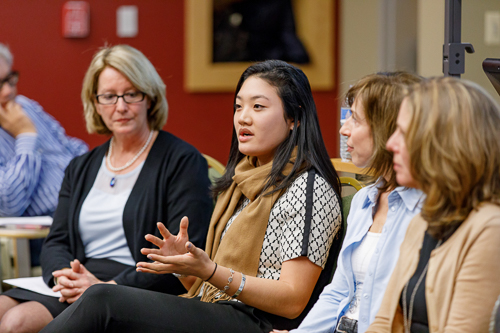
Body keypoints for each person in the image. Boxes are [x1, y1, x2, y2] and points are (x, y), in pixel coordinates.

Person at [40, 59, 343, 333]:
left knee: (102, 299)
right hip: (216, 307)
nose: (243, 118)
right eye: (238, 107)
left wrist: (209, 270)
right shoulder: (241, 180)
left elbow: (292, 300)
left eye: (258, 107)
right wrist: (184, 266)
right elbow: (204, 285)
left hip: (258, 322)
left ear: (294, 118)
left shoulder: (309, 187)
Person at [0, 44, 213, 332]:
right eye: (109, 97)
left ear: (149, 97)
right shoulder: (82, 166)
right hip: (78, 279)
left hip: (136, 285)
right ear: (96, 103)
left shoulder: (183, 161)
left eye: (131, 94)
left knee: (16, 323)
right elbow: (57, 240)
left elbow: (185, 254)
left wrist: (106, 285)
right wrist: (64, 277)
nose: (120, 107)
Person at [272, 72, 423, 333]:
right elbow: (339, 291)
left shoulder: (426, 209)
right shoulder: (364, 199)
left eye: (355, 118)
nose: (344, 129)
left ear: (388, 128)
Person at [366, 77, 500, 332]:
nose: (390, 144)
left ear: (445, 144)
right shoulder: (423, 220)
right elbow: (383, 322)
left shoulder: (491, 229)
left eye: (403, 133)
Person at [0, 43, 88, 268]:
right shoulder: (22, 121)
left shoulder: (24, 106)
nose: (8, 91)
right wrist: (26, 135)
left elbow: (70, 147)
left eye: (9, 79)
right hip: (49, 230)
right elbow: (9, 204)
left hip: (85, 198)